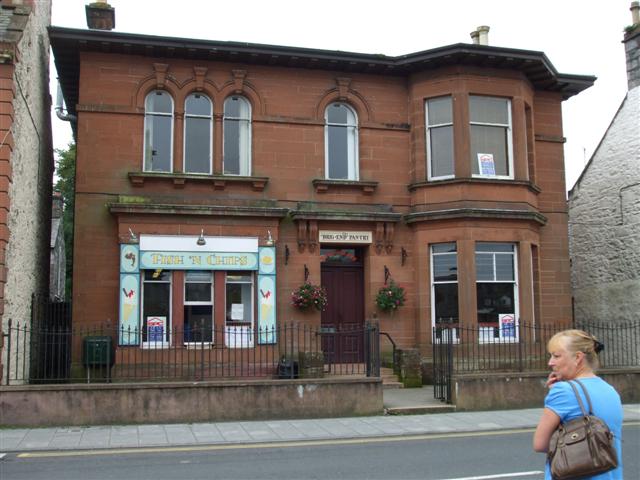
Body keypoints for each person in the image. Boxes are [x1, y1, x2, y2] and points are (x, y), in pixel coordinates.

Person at [533, 329, 623, 479]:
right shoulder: (610, 390)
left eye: (556, 356)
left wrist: (555, 394)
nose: (550, 362)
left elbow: (540, 444)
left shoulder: (563, 392)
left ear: (577, 358)